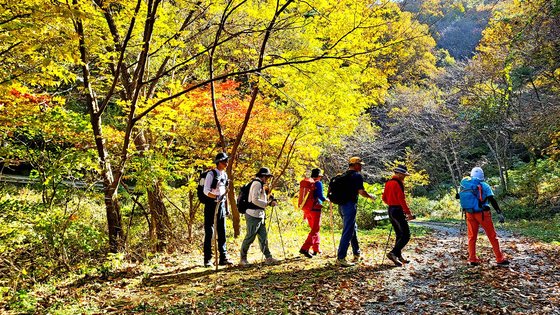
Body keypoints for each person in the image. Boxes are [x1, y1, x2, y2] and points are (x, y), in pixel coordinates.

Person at [462, 167, 509, 266]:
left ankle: (472, 259)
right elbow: (492, 199)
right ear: (482, 175)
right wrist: (499, 212)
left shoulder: (465, 185)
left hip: (469, 213)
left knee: (471, 237)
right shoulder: (484, 185)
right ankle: (500, 259)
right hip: (483, 214)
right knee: (492, 236)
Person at [336, 157, 376, 267]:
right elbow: (361, 192)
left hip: (341, 206)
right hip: (350, 205)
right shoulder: (357, 176)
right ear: (355, 165)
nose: (361, 166)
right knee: (348, 231)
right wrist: (370, 197)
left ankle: (356, 253)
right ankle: (341, 257)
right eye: (360, 164)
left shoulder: (342, 176)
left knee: (352, 228)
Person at [239, 167, 279, 265]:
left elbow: (261, 198)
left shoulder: (260, 184)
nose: (268, 179)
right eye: (267, 177)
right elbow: (254, 200)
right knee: (250, 237)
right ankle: (243, 259)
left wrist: (270, 200)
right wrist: (268, 204)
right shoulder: (256, 184)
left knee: (263, 237)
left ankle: (268, 257)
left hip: (259, 214)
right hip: (253, 214)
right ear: (263, 176)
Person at [202, 152, 233, 267]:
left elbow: (225, 192)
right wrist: (216, 197)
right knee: (209, 232)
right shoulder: (211, 174)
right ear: (219, 162)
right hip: (211, 205)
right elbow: (206, 191)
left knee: (222, 231)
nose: (226, 163)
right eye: (224, 161)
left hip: (221, 206)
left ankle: (223, 257)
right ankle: (208, 259)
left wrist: (226, 206)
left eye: (227, 161)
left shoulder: (224, 175)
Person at [382, 164, 415, 267]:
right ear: (399, 174)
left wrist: (391, 203)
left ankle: (398, 256)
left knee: (399, 234)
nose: (404, 177)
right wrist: (408, 213)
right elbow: (401, 199)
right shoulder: (398, 183)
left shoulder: (388, 183)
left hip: (391, 209)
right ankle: (393, 253)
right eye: (404, 175)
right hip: (397, 210)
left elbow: (384, 198)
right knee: (406, 235)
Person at [299, 168, 327, 258]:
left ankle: (316, 248)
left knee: (315, 229)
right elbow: (320, 196)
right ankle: (305, 248)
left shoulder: (308, 182)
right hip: (315, 208)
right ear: (319, 176)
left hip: (307, 209)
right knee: (315, 229)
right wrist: (327, 200)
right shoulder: (318, 183)